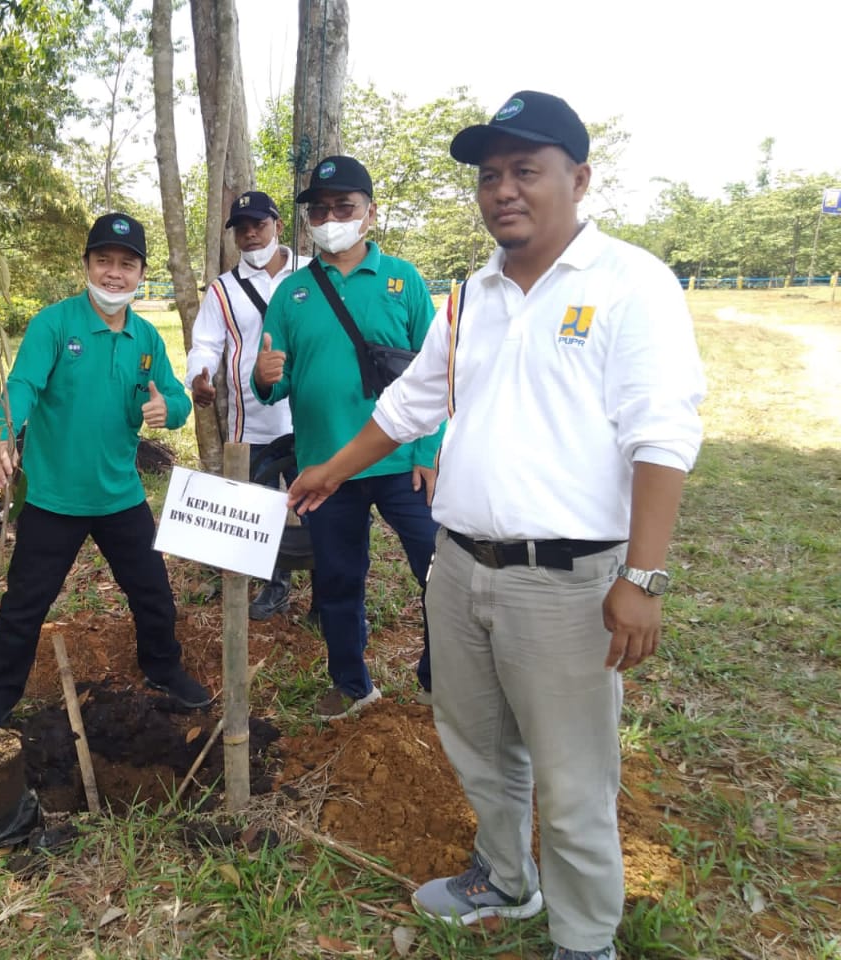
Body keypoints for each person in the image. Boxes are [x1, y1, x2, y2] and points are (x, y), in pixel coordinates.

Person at [288, 92, 706, 960]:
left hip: (567, 582)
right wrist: (329, 469)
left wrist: (643, 578)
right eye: (490, 175)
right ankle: (505, 877)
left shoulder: (631, 283)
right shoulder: (471, 295)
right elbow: (409, 404)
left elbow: (661, 435)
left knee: (573, 771)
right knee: (476, 739)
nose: (504, 189)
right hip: (460, 566)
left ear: (578, 178)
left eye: (527, 170)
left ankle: (586, 937)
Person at [0, 212, 212, 725]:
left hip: (120, 497)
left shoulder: (147, 338)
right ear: (86, 264)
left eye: (126, 264)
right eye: (103, 260)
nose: (114, 273)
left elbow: (175, 397)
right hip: (53, 498)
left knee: (152, 591)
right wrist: (4, 431)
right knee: (24, 604)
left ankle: (161, 666)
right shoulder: (55, 324)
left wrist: (166, 410)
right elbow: (23, 385)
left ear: (140, 273)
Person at [253, 155, 443, 720]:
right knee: (337, 578)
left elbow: (440, 376)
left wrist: (430, 452)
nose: (331, 217)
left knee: (438, 572)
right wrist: (264, 380)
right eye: (321, 209)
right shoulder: (291, 294)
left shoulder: (403, 281)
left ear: (369, 213)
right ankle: (352, 684)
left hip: (404, 461)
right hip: (325, 467)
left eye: (345, 207)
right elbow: (274, 381)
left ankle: (441, 679)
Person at [185, 190, 309, 620]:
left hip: (312, 418)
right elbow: (206, 343)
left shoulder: (312, 273)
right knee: (260, 509)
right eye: (242, 229)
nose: (251, 234)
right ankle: (275, 585)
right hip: (253, 420)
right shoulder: (223, 289)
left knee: (321, 507)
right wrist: (200, 378)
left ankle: (331, 590)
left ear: (277, 224)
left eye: (259, 224)